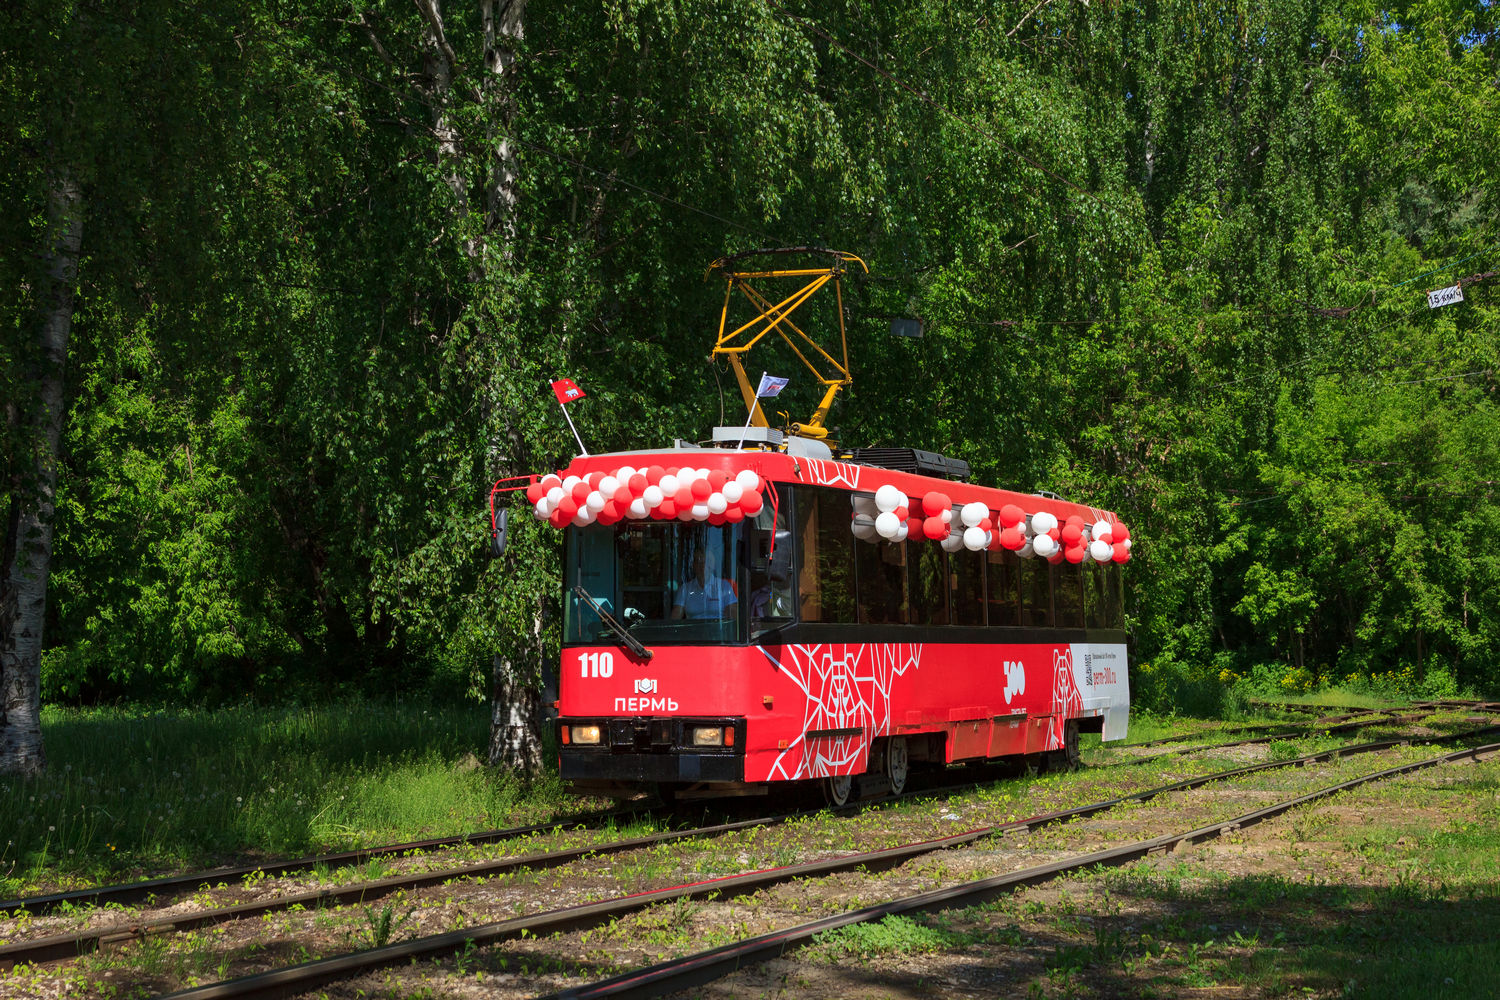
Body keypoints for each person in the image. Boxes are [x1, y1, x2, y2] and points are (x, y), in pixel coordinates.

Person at [670, 545, 737, 620]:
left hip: (718, 630)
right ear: (693, 565)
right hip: (693, 630)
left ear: (714, 565)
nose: (703, 566)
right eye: (699, 561)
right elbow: (675, 619)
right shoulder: (685, 589)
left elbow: (734, 617)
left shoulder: (724, 586)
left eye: (708, 561)